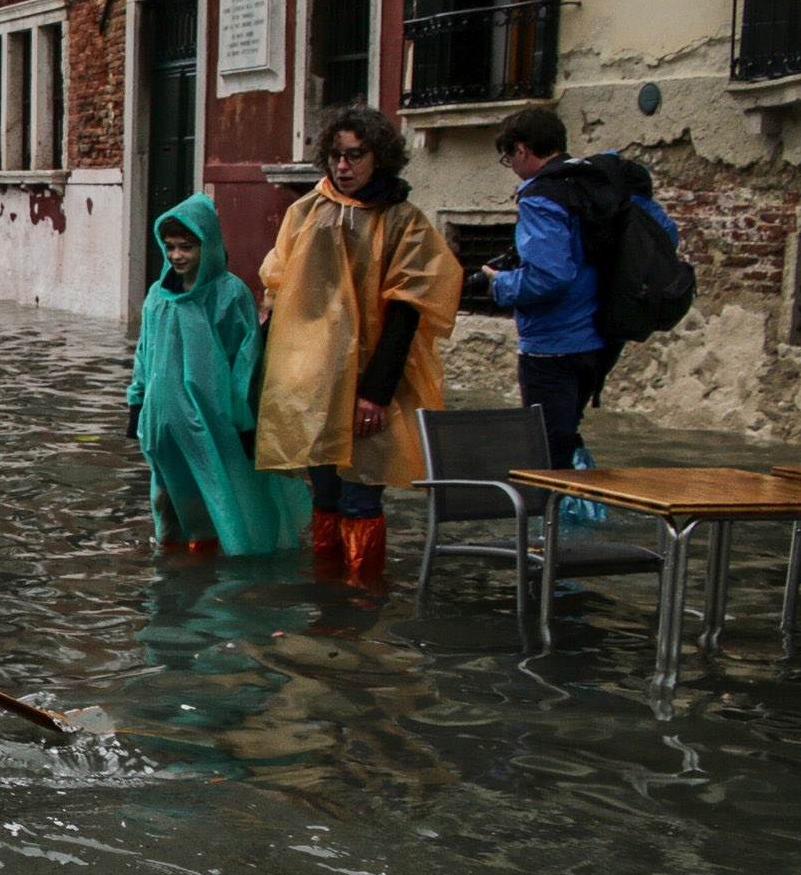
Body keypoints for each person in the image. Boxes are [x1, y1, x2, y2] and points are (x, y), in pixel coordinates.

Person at [256, 106, 463, 578]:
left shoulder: (402, 220)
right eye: (335, 156)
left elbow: (407, 312)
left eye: (355, 155)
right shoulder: (307, 212)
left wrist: (376, 393)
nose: (343, 166)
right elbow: (283, 297)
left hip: (372, 379)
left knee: (362, 493)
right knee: (325, 493)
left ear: (379, 157)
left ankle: (361, 595)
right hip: (316, 381)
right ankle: (326, 589)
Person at [469, 103, 681, 470]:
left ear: (521, 149)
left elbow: (548, 277)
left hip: (553, 345)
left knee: (546, 450)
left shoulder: (541, 196)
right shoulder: (601, 181)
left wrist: (497, 284)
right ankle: (576, 493)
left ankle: (556, 506)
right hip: (603, 339)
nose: (512, 168)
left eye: (509, 158)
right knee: (566, 435)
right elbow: (665, 238)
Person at [128, 194, 308, 554]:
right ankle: (175, 567)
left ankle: (210, 566)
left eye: (186, 247)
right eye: (170, 247)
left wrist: (244, 421)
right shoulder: (156, 297)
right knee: (165, 500)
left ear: (206, 245)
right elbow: (144, 354)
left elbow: (246, 361)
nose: (177, 255)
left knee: (215, 497)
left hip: (212, 421)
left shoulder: (230, 294)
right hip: (163, 424)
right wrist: (137, 404)